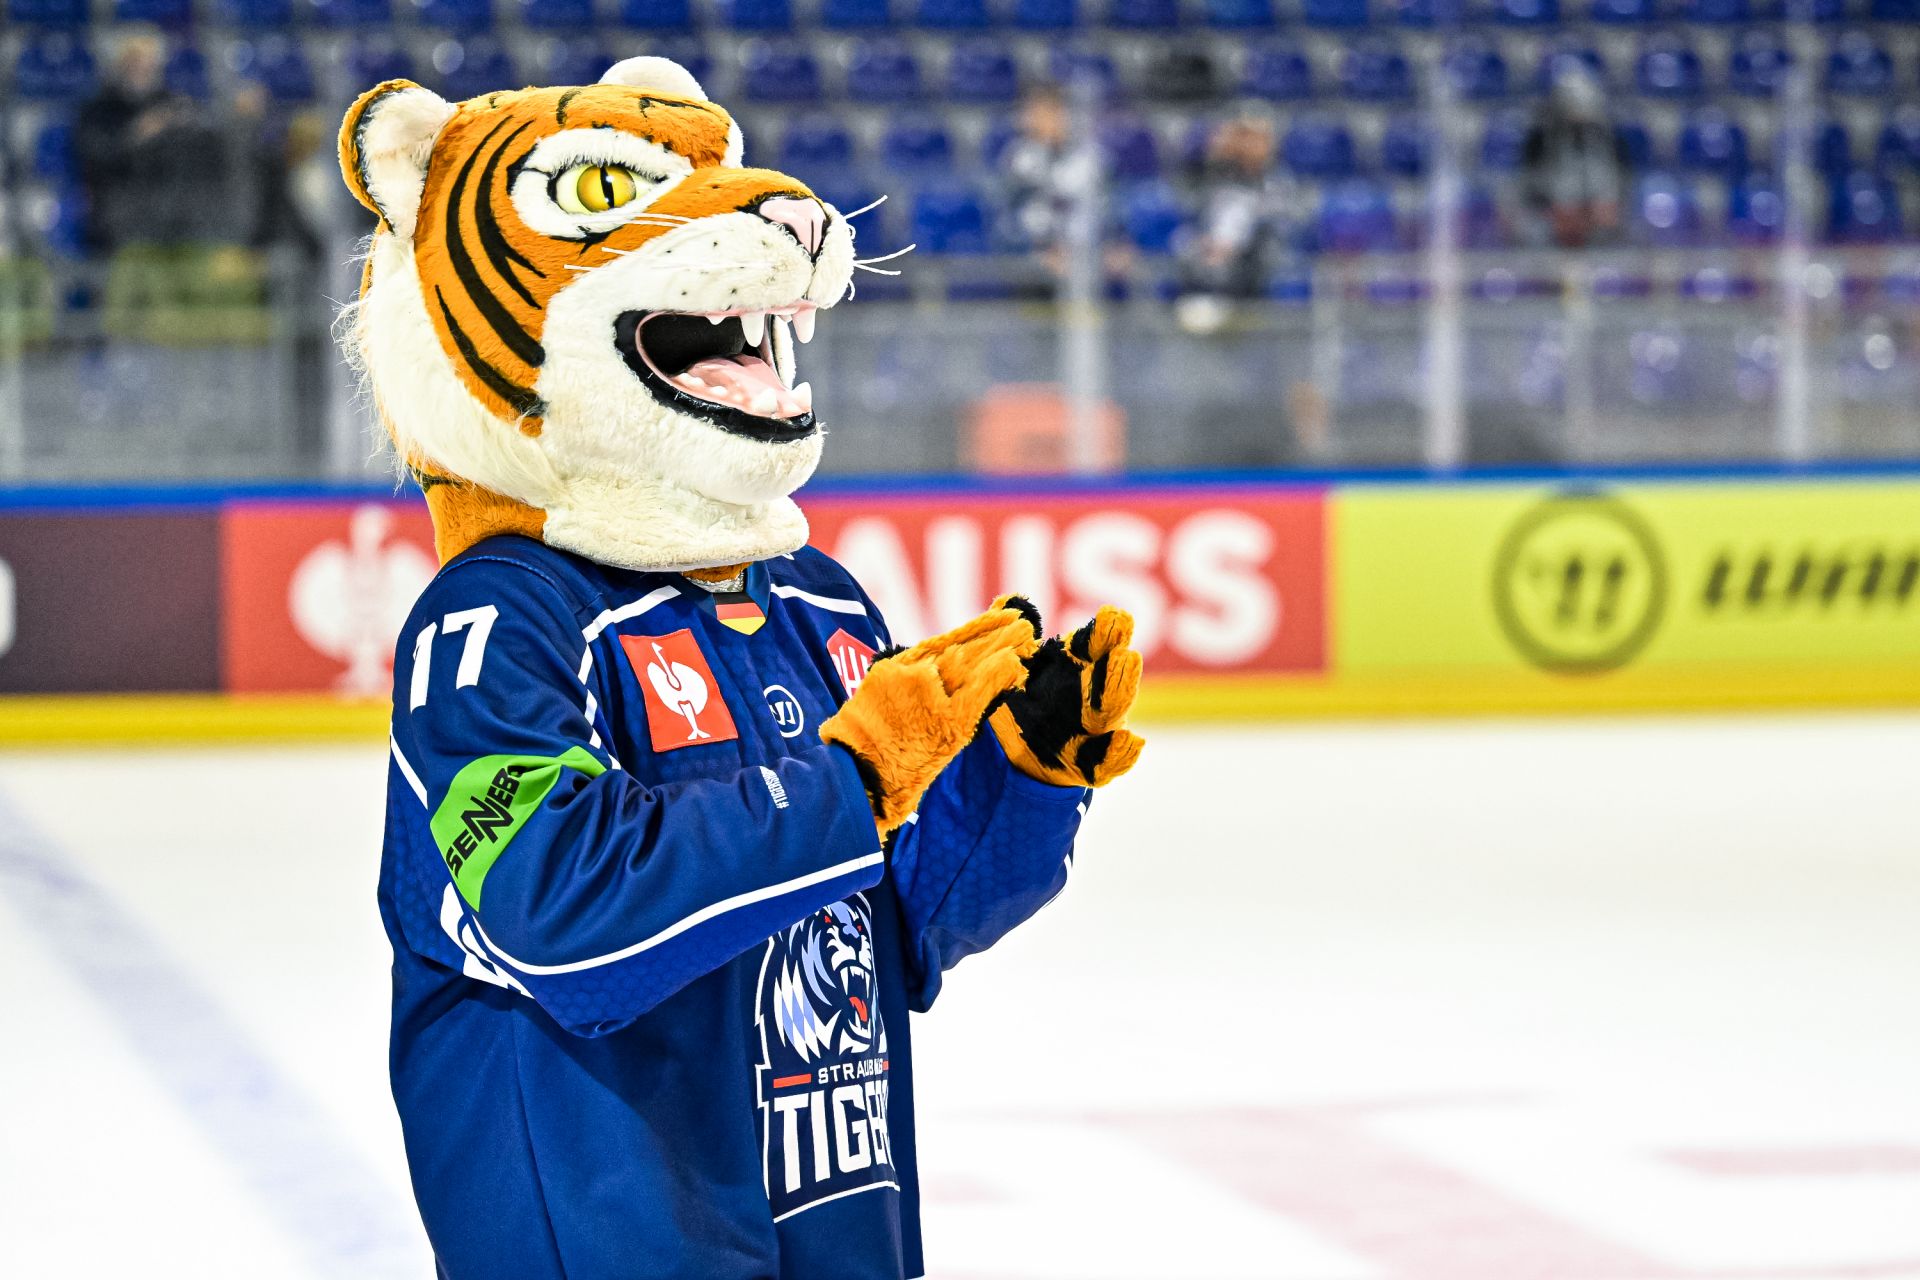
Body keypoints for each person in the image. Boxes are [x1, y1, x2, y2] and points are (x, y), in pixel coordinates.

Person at [1174, 112, 1295, 332]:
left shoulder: (1276, 183)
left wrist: (1236, 248)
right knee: (1184, 245)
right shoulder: (1212, 181)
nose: (1246, 146)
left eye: (1253, 140)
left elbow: (1277, 224)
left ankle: (1231, 305)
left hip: (1251, 258)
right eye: (1241, 139)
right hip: (1210, 254)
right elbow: (1195, 216)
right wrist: (1208, 243)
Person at [1520, 65, 1631, 249]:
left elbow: (1619, 179)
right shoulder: (1541, 139)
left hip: (1597, 211)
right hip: (1554, 211)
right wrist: (1552, 207)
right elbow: (1531, 182)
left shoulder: (1608, 138)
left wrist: (1602, 207)